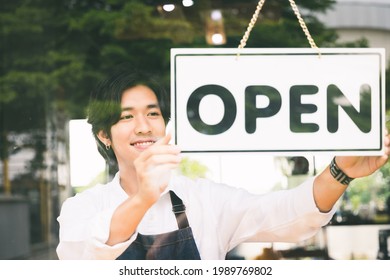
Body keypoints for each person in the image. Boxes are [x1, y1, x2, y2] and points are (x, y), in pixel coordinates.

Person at [56, 66, 390, 260]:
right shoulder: (81, 208)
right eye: (127, 117)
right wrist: (144, 196)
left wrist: (340, 172)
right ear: (104, 134)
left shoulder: (206, 199)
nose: (144, 126)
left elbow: (287, 214)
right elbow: (85, 258)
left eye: (153, 114)